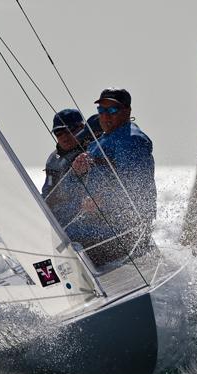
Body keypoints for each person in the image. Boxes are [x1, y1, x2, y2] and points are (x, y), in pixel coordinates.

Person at [68, 88, 157, 265]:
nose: (105, 116)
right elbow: (76, 187)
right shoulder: (99, 141)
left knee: (61, 251)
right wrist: (76, 172)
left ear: (127, 111)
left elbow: (137, 189)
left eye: (112, 110)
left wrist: (102, 200)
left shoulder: (131, 140)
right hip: (96, 225)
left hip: (123, 231)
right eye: (101, 111)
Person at [41, 109, 86, 227]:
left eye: (68, 130)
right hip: (61, 220)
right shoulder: (53, 159)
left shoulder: (94, 150)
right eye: (58, 133)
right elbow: (48, 194)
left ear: (81, 127)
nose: (64, 137)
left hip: (86, 218)